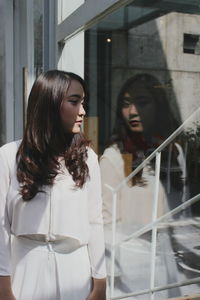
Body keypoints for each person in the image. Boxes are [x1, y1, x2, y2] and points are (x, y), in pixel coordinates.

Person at [0, 70, 106, 300]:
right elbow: (1, 227)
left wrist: (100, 281)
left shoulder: (87, 159)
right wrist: (3, 286)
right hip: (24, 272)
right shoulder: (9, 156)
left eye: (83, 102)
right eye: (74, 101)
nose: (83, 111)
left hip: (76, 273)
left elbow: (95, 222)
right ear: (50, 103)